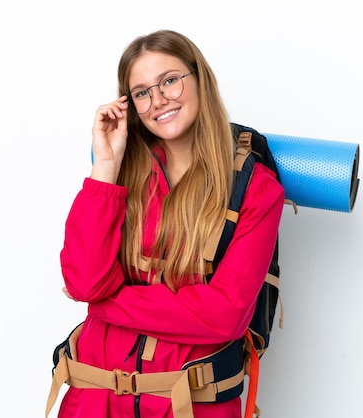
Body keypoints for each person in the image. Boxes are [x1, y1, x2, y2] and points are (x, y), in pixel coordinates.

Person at [55, 29, 284, 418]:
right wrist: (105, 167)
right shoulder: (120, 174)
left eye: (170, 81)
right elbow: (83, 281)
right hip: (92, 400)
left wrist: (107, 301)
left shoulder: (256, 190)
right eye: (142, 92)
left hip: (190, 406)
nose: (158, 99)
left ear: (200, 79)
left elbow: (224, 315)